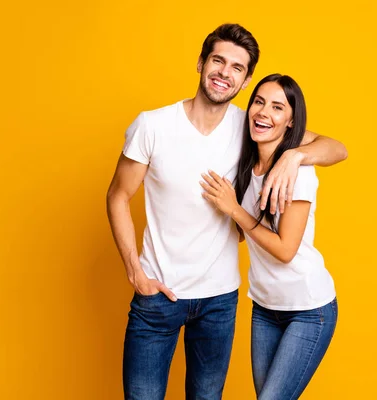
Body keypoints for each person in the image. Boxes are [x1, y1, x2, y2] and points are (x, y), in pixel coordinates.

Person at [106, 24, 347, 400]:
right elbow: (118, 195)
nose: (225, 72)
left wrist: (296, 156)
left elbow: (337, 148)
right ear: (201, 63)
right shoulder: (153, 125)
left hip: (220, 301)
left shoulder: (252, 126)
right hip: (158, 297)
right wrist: (135, 273)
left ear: (245, 79)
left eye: (237, 67)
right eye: (218, 60)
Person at [201, 73, 339, 400]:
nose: (264, 112)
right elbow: (238, 234)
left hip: (309, 309)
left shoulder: (298, 173)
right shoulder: (247, 164)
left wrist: (234, 210)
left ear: (291, 123)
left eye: (278, 107)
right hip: (264, 307)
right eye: (259, 102)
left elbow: (285, 249)